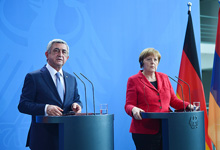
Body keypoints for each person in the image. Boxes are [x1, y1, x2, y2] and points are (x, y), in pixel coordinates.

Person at [18, 39, 82, 150]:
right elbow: (23, 105)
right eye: (56, 51)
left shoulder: (72, 79)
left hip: (69, 138)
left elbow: (76, 99)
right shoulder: (34, 77)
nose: (60, 54)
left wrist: (76, 105)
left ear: (67, 58)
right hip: (43, 140)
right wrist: (46, 108)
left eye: (64, 52)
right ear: (47, 54)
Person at [124, 48, 193, 150]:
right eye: (149, 59)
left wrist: (188, 105)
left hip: (167, 128)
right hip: (144, 131)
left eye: (155, 60)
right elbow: (128, 105)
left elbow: (173, 100)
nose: (153, 62)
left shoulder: (164, 77)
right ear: (142, 62)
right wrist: (134, 109)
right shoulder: (133, 80)